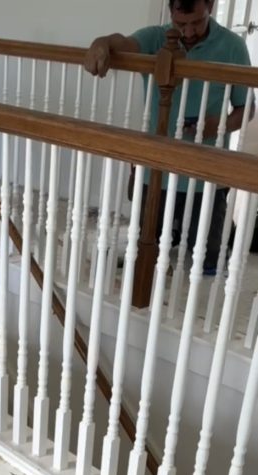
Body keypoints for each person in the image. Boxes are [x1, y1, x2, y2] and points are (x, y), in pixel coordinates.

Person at [84, 0, 253, 273]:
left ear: (210, 5)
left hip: (206, 172)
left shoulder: (233, 46)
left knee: (209, 261)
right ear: (171, 13)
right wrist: (101, 42)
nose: (187, 33)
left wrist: (215, 126)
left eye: (196, 22)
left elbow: (247, 110)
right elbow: (122, 43)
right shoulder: (155, 37)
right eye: (180, 24)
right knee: (147, 245)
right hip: (157, 169)